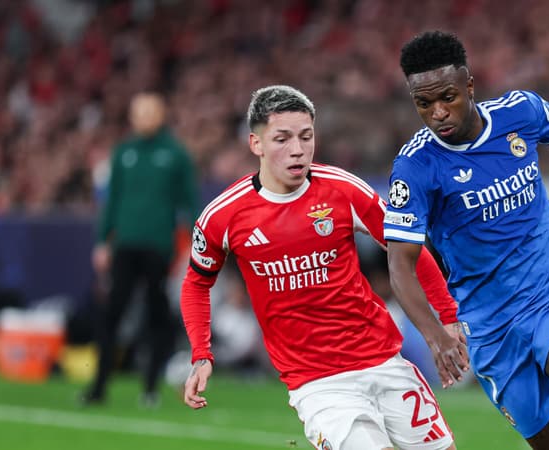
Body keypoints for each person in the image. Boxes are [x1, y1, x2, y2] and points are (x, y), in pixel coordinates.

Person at [383, 31, 549, 450]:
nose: (438, 113)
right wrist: (436, 336)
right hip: (490, 321)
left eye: (448, 97)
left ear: (469, 85)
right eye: (423, 103)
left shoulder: (520, 111)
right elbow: (400, 263)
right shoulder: (416, 167)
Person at [181, 85, 462, 450]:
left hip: (384, 361)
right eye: (282, 139)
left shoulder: (342, 189)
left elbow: (409, 250)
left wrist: (448, 316)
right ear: (256, 144)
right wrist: (201, 354)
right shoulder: (223, 215)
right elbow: (196, 284)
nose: (297, 149)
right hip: (318, 384)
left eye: (306, 136)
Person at [83, 92, 200, 406]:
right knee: (112, 313)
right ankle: (98, 386)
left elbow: (189, 200)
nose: (145, 117)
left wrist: (198, 240)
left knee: (155, 315)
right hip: (125, 245)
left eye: (151, 111)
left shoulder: (175, 154)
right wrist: (102, 241)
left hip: (159, 245)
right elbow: (112, 200)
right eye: (140, 112)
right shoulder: (123, 152)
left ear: (161, 114)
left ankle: (150, 387)